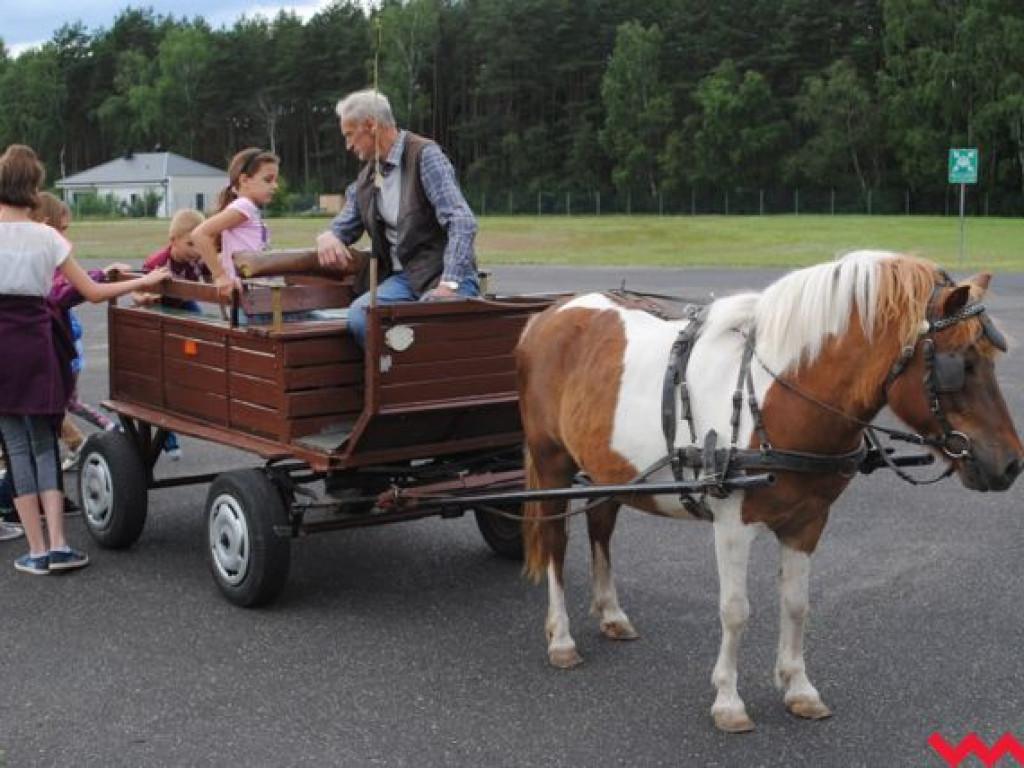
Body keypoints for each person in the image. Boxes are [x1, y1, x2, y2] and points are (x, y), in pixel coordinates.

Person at [0, 143, 170, 574]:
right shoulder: (48, 236)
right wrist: (143, 280)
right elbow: (92, 293)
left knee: (15, 446)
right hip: (36, 347)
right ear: (35, 188)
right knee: (44, 444)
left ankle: (35, 550)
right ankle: (59, 545)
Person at [315, 89, 480, 346]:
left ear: (371, 125)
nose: (348, 145)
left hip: (444, 275)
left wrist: (450, 284)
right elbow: (346, 222)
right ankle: (384, 383)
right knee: (361, 317)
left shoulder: (425, 156)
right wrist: (329, 235)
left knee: (426, 323)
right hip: (403, 280)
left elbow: (462, 220)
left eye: (349, 135)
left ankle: (410, 383)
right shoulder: (367, 177)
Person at [136, 207, 209, 459]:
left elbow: (213, 280)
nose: (197, 250)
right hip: (161, 308)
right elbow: (136, 289)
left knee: (204, 327)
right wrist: (144, 297)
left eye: (201, 243)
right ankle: (168, 436)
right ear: (173, 241)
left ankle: (200, 375)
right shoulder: (158, 262)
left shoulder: (199, 259)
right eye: (191, 244)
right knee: (161, 372)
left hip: (183, 303)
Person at [193, 148, 278, 300]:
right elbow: (200, 234)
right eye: (268, 180)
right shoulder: (244, 206)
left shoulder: (247, 209)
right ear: (244, 180)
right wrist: (220, 276)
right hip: (250, 298)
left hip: (258, 296)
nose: (275, 186)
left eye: (275, 180)